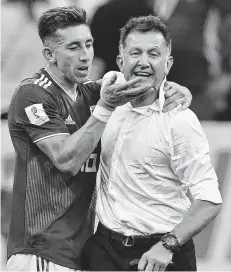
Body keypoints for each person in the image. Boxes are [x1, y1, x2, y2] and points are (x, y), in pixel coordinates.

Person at [6, 6, 192, 271]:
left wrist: (175, 89)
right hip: (41, 252)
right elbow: (66, 160)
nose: (85, 56)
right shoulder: (33, 93)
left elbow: (132, 81)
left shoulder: (90, 94)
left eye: (88, 44)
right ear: (49, 54)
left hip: (80, 254)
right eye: (73, 48)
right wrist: (105, 109)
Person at [82, 15, 223, 271]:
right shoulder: (106, 98)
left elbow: (210, 200)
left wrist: (167, 245)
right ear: (120, 61)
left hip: (162, 253)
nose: (144, 62)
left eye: (154, 54)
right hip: (105, 248)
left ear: (167, 64)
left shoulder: (180, 120)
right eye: (135, 53)